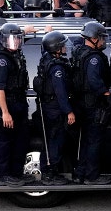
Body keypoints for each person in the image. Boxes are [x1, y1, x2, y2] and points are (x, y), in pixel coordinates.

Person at [0, 23, 33, 187]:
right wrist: (5, 112)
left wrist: (25, 31)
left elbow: (20, 38)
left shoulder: (14, 54)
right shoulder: (1, 59)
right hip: (8, 104)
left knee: (21, 140)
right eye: (12, 39)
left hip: (19, 102)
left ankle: (16, 173)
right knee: (6, 141)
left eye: (18, 39)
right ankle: (3, 174)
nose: (16, 42)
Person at [71, 22, 111, 185]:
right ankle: (92, 176)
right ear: (94, 39)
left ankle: (81, 173)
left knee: (85, 140)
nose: (103, 42)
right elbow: (94, 80)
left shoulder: (80, 52)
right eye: (102, 38)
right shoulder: (94, 58)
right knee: (94, 140)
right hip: (92, 104)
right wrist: (106, 93)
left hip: (82, 103)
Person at [33, 31, 76, 185]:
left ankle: (49, 171)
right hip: (55, 108)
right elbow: (60, 92)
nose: (65, 47)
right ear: (56, 48)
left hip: (48, 106)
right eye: (62, 45)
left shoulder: (46, 59)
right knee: (55, 141)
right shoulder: (56, 67)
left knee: (52, 140)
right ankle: (49, 173)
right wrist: (68, 111)